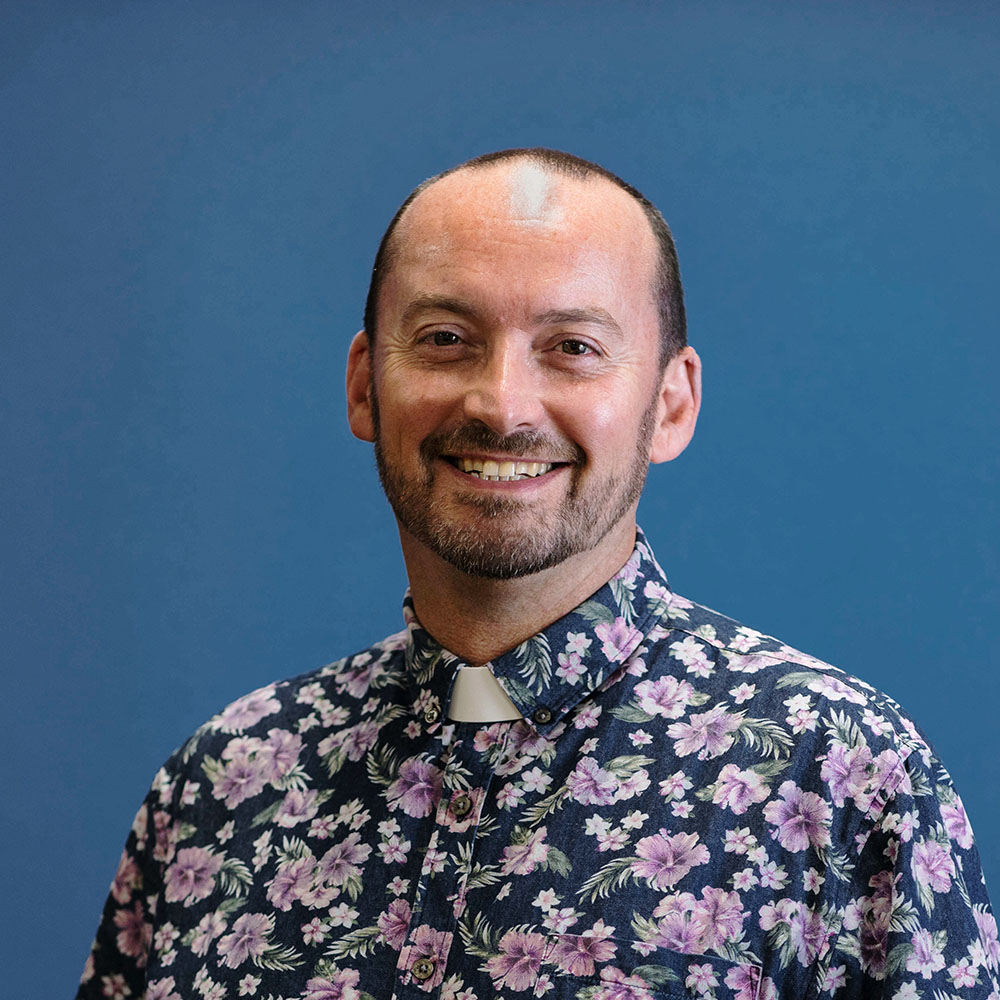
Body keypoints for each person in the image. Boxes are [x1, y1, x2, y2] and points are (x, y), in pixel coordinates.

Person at [78, 148, 998, 1000]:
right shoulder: (225, 782)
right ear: (365, 384)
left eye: (574, 347)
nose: (502, 404)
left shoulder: (836, 776)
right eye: (445, 338)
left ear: (670, 405)